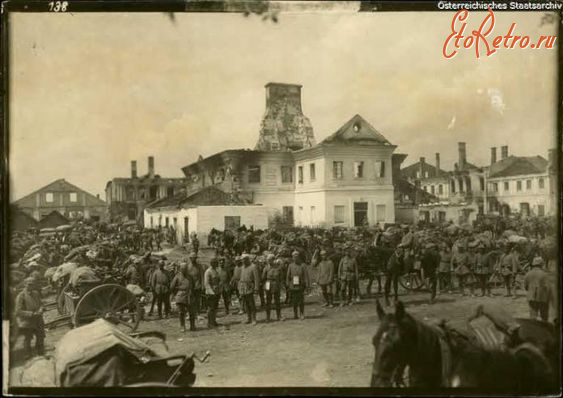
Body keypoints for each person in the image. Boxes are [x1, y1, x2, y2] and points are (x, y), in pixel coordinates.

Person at [15, 277, 45, 358]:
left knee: (40, 335)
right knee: (28, 338)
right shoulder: (21, 296)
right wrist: (31, 314)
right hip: (27, 321)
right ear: (25, 284)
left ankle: (40, 352)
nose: (31, 286)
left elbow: (41, 303)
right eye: (29, 284)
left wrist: (41, 309)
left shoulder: (36, 293)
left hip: (38, 319)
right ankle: (28, 354)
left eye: (33, 284)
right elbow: (18, 311)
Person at [524, 256, 551, 322]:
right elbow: (548, 288)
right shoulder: (545, 274)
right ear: (541, 264)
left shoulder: (528, 274)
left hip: (531, 297)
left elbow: (526, 287)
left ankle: (534, 330)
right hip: (543, 297)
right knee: (544, 317)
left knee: (533, 317)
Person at [170, 264, 196, 332]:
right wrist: (177, 293)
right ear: (180, 269)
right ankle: (182, 326)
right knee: (181, 312)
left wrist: (192, 292)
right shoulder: (177, 277)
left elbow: (193, 285)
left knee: (191, 312)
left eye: (185, 269)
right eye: (182, 269)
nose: (184, 270)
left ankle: (192, 325)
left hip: (189, 296)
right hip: (180, 296)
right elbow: (172, 287)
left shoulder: (190, 277)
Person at [286, 250, 310, 320]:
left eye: (296, 257)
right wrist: (287, 284)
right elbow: (288, 276)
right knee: (294, 301)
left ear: (299, 257)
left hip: (300, 285)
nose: (295, 258)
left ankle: (301, 314)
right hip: (293, 286)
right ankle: (295, 314)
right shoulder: (290, 265)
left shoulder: (303, 265)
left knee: (301, 301)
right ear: (292, 258)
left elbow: (306, 276)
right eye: (294, 257)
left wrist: (307, 285)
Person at [238, 253, 260, 325]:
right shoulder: (242, 268)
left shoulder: (253, 267)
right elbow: (241, 278)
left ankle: (254, 319)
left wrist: (256, 288)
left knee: (251, 304)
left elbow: (257, 279)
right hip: (244, 288)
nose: (243, 261)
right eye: (242, 260)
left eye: (244, 260)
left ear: (247, 259)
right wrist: (240, 288)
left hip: (250, 287)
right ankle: (248, 318)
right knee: (246, 304)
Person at [262, 257, 284, 321]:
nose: (269, 261)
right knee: (268, 301)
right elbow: (263, 277)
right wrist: (265, 285)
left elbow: (281, 277)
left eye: (270, 260)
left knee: (277, 301)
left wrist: (280, 285)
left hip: (276, 284)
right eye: (268, 260)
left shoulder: (278, 268)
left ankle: (279, 316)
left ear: (273, 260)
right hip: (268, 284)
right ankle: (268, 317)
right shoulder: (266, 268)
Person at [204, 258, 221, 328]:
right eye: (216, 263)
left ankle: (213, 321)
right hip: (210, 293)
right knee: (210, 308)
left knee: (215, 307)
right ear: (212, 263)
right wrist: (211, 293)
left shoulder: (216, 271)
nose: (217, 264)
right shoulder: (208, 272)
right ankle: (209, 323)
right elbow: (207, 284)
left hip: (216, 292)